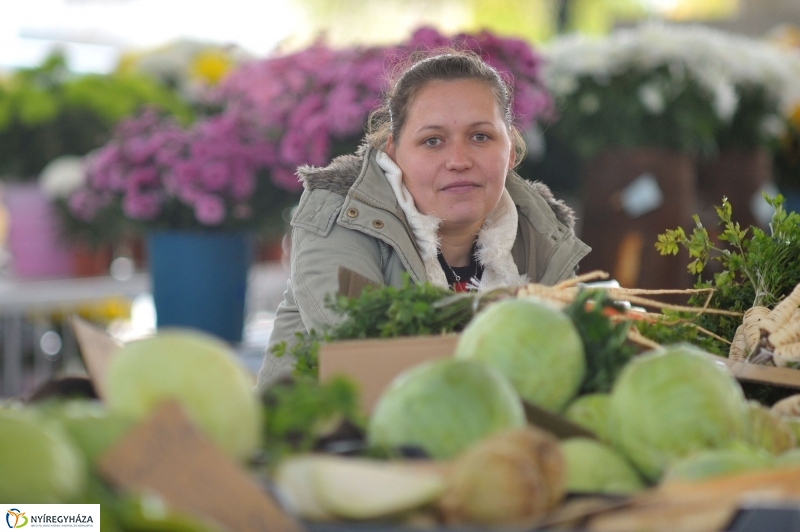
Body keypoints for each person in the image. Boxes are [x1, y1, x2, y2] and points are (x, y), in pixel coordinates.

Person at [257, 49, 590, 389]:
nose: (458, 160)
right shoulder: (341, 218)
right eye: (433, 141)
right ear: (393, 153)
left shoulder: (542, 233)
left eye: (480, 136)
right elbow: (370, 367)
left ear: (511, 150)